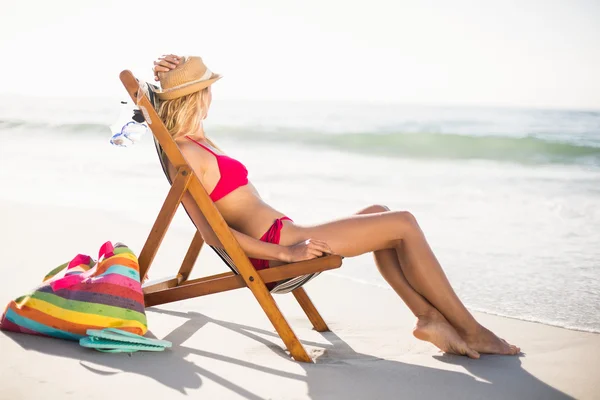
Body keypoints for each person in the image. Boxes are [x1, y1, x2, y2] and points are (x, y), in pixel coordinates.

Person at [151, 54, 520, 358]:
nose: (213, 95)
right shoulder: (184, 152)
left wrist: (157, 88)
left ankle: (428, 317)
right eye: (208, 89)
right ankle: (472, 332)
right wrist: (286, 253)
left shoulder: (195, 139)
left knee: (380, 211)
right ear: (198, 97)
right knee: (403, 223)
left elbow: (158, 122)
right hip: (276, 247)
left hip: (283, 234)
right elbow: (212, 233)